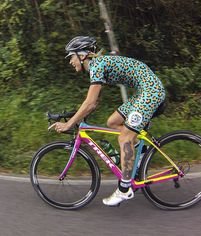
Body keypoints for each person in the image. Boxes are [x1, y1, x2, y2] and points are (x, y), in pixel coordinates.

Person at [50, 36, 165, 206]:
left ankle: (125, 189)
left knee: (124, 138)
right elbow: (93, 103)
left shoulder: (96, 65)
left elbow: (89, 103)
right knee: (112, 121)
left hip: (151, 93)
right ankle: (141, 150)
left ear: (82, 55)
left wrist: (69, 124)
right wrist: (75, 115)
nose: (70, 61)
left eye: (71, 57)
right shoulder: (98, 65)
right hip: (144, 92)